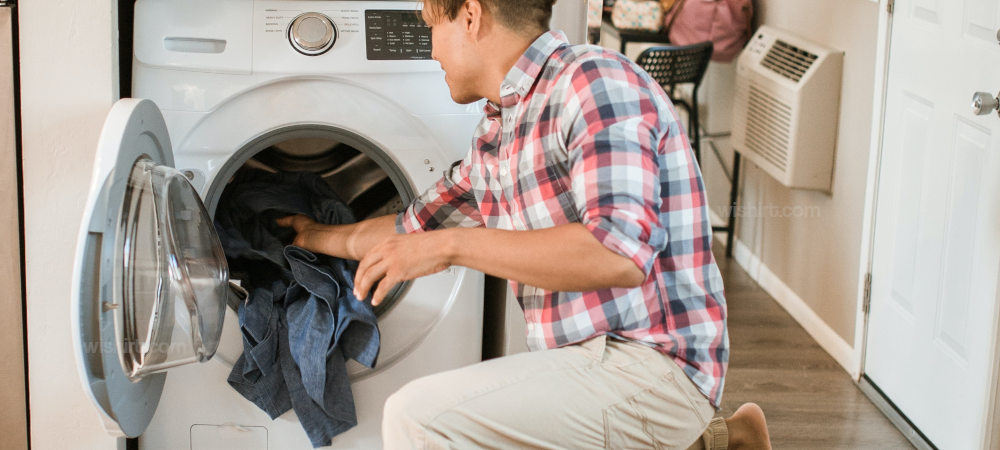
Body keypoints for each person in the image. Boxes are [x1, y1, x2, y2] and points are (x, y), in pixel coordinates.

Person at [277, 0, 771, 447]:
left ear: (470, 16)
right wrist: (308, 235)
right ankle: (726, 441)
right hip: (583, 366)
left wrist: (450, 247)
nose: (429, 50)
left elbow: (618, 253)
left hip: (651, 366)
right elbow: (410, 230)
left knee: (419, 418)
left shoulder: (593, 81)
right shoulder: (497, 134)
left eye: (432, 27)